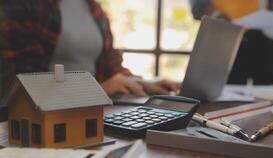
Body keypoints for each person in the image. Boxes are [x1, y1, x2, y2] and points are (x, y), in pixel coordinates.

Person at [0, 0, 179, 99]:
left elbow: (111, 67)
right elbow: (19, 88)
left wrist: (142, 82)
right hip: (45, 122)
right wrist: (98, 91)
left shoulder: (94, 9)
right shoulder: (21, 6)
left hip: (92, 109)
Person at [189, 0, 273, 85]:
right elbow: (198, 6)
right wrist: (213, 12)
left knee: (271, 96)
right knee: (222, 95)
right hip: (224, 37)